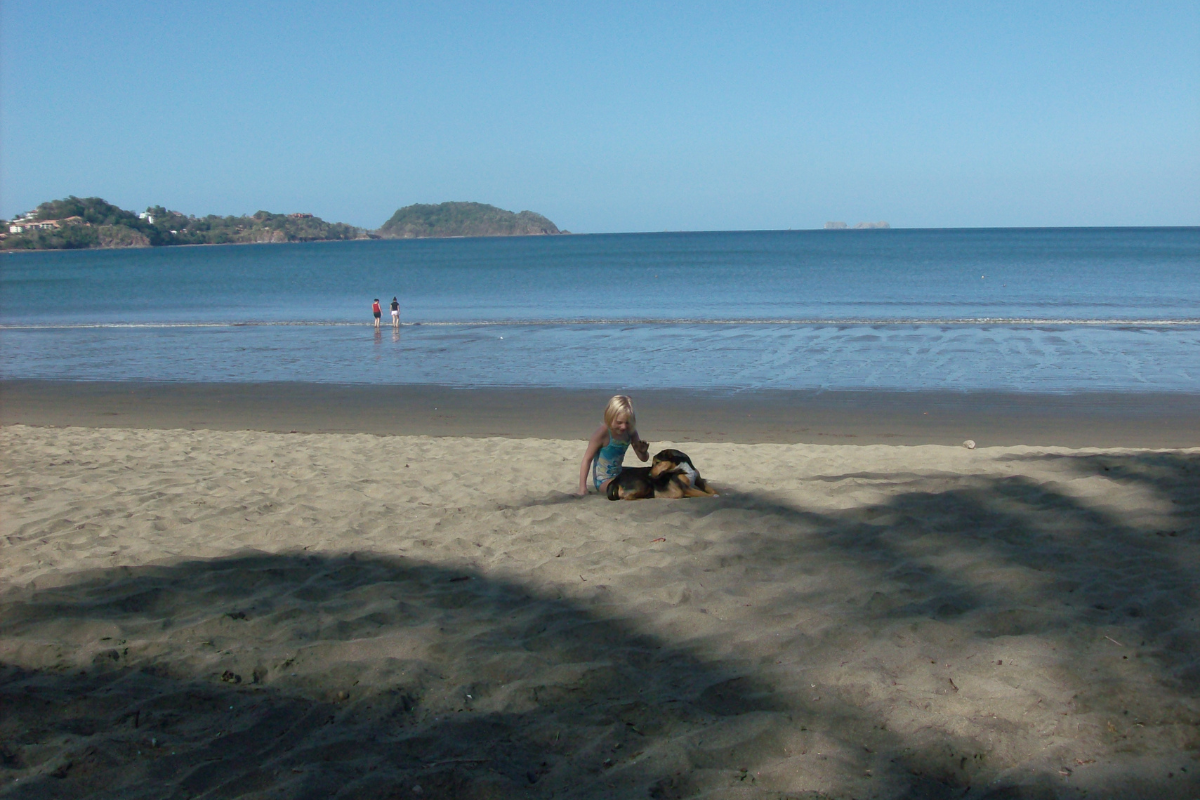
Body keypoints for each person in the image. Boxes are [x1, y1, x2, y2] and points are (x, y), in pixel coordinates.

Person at [577, 395, 650, 496]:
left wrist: (643, 452)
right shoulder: (602, 433)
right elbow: (587, 459)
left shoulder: (631, 432)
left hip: (619, 473)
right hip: (603, 480)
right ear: (609, 418)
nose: (623, 427)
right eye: (619, 422)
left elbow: (643, 459)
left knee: (647, 474)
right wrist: (582, 487)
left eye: (627, 423)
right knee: (621, 490)